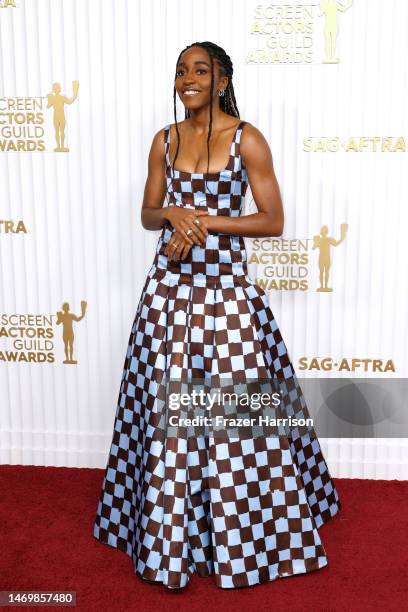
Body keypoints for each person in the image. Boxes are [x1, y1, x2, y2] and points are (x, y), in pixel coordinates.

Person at [93, 40, 341, 590]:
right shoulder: (163, 140)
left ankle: (249, 533)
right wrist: (171, 215)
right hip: (168, 294)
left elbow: (272, 221)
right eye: (181, 70)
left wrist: (201, 223)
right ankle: (166, 529)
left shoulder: (247, 139)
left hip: (227, 292)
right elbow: (146, 213)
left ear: (222, 79)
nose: (188, 78)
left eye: (200, 70)